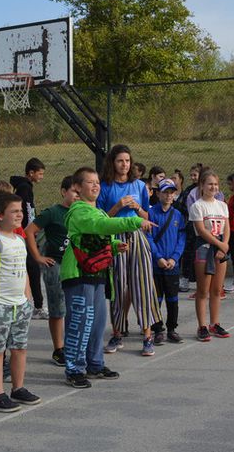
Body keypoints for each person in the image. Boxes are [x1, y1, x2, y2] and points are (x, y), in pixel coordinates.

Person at [61, 167, 153, 388]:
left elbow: (101, 235)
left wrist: (114, 246)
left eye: (97, 182)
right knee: (79, 323)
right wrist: (134, 222)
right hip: (78, 274)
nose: (95, 186)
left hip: (97, 274)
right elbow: (100, 226)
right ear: (78, 187)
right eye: (89, 182)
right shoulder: (79, 211)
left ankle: (95, 364)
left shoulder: (99, 211)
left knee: (97, 323)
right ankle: (74, 368)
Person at [96, 145, 161, 357]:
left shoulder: (139, 185)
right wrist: (117, 207)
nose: (124, 165)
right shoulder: (105, 187)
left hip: (137, 236)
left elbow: (146, 218)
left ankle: (147, 335)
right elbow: (101, 219)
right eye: (120, 161)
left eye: (127, 161)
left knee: (141, 284)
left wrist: (136, 208)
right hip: (116, 238)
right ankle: (117, 333)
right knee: (117, 285)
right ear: (112, 163)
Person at [0, 193, 40, 412]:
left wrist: (28, 298)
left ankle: (18, 388)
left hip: (20, 305)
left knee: (19, 348)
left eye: (21, 211)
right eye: (14, 211)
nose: (19, 215)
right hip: (0, 306)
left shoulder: (20, 239)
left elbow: (23, 272)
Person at [24, 175, 76, 367]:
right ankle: (59, 348)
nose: (77, 196)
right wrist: (37, 256)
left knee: (75, 306)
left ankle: (74, 345)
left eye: (80, 192)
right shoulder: (54, 212)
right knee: (57, 308)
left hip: (75, 266)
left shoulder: (82, 212)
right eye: (74, 192)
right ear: (64, 191)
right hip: (56, 265)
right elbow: (29, 231)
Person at [188, 170, 230, 342]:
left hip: (220, 249)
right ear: (202, 186)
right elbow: (201, 230)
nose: (213, 187)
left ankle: (215, 323)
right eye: (210, 184)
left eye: (215, 184)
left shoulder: (222, 205)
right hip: (204, 248)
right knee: (203, 290)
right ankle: (202, 326)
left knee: (216, 290)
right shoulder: (197, 206)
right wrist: (220, 244)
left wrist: (224, 245)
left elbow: (226, 227)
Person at [145, 179, 185, 344]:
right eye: (165, 192)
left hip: (172, 265)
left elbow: (181, 238)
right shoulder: (151, 213)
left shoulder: (177, 215)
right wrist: (158, 257)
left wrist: (174, 257)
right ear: (159, 193)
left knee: (172, 298)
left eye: (171, 192)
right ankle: (157, 329)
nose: (169, 195)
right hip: (157, 265)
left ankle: (171, 328)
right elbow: (149, 237)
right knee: (156, 298)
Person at [11, 158, 46, 320]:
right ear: (31, 173)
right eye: (40, 173)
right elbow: (26, 210)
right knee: (32, 268)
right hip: (25, 234)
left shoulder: (25, 187)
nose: (42, 177)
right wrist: (31, 228)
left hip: (26, 233)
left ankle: (31, 303)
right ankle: (36, 305)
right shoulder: (24, 188)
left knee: (29, 268)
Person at [176, 164, 201, 292]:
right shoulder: (190, 190)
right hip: (191, 224)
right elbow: (183, 204)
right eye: (191, 175)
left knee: (201, 253)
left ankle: (201, 281)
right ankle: (185, 279)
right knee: (188, 252)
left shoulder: (204, 188)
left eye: (195, 175)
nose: (192, 177)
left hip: (202, 224)